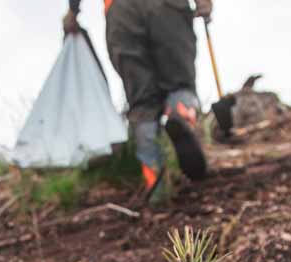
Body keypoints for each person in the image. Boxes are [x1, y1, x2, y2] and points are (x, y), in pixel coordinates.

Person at [63, 0, 213, 205]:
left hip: (121, 12)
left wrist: (73, 11)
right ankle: (181, 115)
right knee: (180, 84)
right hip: (166, 6)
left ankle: (155, 183)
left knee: (142, 103)